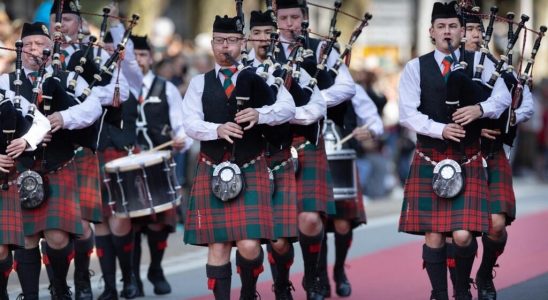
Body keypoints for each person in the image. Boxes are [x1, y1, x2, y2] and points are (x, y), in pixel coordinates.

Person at [397, 2, 511, 300]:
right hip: (429, 155)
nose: (447, 32)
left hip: (467, 156)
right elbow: (407, 114)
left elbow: (503, 98)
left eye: (452, 26)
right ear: (431, 32)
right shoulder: (415, 67)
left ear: (462, 31)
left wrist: (480, 108)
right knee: (434, 234)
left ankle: (462, 289)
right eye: (441, 27)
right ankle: (438, 294)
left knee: (462, 235)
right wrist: (440, 129)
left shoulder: (481, 63)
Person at [181, 15, 276, 300]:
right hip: (212, 167)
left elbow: (285, 107)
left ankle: (248, 293)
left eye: (233, 41)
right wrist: (218, 129)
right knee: (219, 245)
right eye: (220, 41)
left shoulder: (260, 77)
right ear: (212, 45)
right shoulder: (200, 83)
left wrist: (261, 114)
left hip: (250, 165)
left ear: (242, 43)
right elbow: (190, 123)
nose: (226, 47)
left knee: (249, 245)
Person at [47, 1, 130, 299]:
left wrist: (87, 93)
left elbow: (123, 92)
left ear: (80, 23)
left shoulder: (95, 53)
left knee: (81, 226)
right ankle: (58, 283)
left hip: (81, 147)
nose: (60, 25)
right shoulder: (38, 54)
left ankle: (82, 278)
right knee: (48, 223)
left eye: (66, 19)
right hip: (46, 150)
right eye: (55, 19)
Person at [275, 0, 357, 298]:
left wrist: (314, 98)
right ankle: (282, 284)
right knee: (277, 230)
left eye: (295, 17)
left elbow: (347, 87)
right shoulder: (263, 49)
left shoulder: (322, 49)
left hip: (308, 140)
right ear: (276, 18)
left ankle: (314, 277)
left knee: (310, 218)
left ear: (305, 17)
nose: (289, 23)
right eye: (283, 17)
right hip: (271, 146)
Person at [458, 12, 534, 300]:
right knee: (460, 231)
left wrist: (509, 120)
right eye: (469, 29)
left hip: (492, 152)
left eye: (478, 29)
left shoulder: (499, 66)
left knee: (497, 223)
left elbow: (524, 104)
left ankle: (485, 272)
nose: (476, 34)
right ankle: (460, 282)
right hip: (459, 153)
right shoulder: (447, 66)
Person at [129, 33, 191, 296]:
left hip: (159, 164)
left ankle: (155, 268)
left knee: (157, 224)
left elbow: (183, 128)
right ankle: (133, 277)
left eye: (142, 55)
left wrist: (181, 141)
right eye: (133, 56)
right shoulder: (118, 89)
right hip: (128, 166)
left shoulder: (166, 88)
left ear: (150, 58)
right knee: (131, 224)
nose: (138, 60)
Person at [324, 83, 383, 297]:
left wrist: (369, 130)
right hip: (310, 158)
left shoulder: (348, 85)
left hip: (343, 159)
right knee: (314, 221)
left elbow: (374, 120)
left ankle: (339, 270)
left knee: (342, 223)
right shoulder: (298, 79)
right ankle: (318, 276)